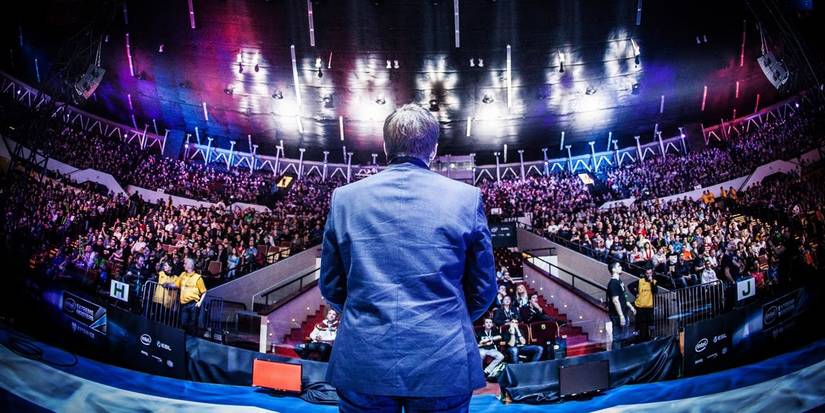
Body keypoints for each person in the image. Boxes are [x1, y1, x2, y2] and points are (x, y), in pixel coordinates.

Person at [320, 104, 497, 412]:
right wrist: (447, 320)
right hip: (443, 359)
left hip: (364, 358)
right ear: (434, 149)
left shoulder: (345, 199)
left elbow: (331, 285)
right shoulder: (467, 198)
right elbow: (483, 288)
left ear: (385, 146)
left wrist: (363, 315)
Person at [606, 262, 635, 350]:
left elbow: (623, 296)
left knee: (623, 337)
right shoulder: (613, 283)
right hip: (617, 315)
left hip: (623, 312)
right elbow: (615, 300)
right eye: (619, 266)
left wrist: (630, 306)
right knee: (618, 338)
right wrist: (621, 316)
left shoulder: (619, 281)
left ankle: (622, 356)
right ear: (613, 269)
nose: (621, 267)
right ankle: (616, 358)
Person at [175, 258, 207, 335]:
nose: (183, 265)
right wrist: (167, 284)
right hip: (183, 303)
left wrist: (199, 303)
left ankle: (192, 342)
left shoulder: (198, 277)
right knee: (183, 323)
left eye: (185, 263)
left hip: (193, 304)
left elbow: (204, 292)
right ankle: (184, 339)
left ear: (189, 265)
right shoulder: (182, 274)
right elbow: (176, 285)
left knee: (193, 324)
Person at [628, 265, 657, 342]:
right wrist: (635, 293)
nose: (649, 275)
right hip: (640, 306)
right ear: (645, 274)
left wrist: (651, 282)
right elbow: (630, 286)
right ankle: (640, 339)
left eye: (650, 273)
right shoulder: (640, 281)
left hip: (649, 306)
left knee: (650, 323)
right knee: (640, 324)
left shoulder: (653, 282)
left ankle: (650, 337)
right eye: (647, 273)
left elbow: (655, 292)